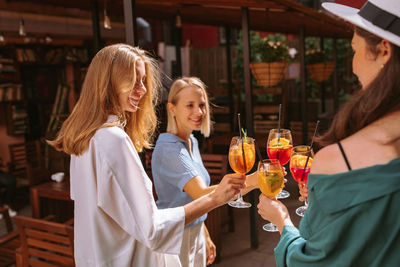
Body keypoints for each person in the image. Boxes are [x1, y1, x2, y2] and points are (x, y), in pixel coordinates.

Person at [48, 44, 246, 267]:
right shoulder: (113, 140)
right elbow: (152, 229)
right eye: (134, 80)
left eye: (143, 81)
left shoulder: (85, 138)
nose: (142, 90)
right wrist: (215, 198)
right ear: (108, 82)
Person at [257, 0, 400, 266]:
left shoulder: (339, 161)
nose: (353, 65)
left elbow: (312, 260)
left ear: (383, 51)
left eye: (354, 50)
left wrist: (282, 221)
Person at [152, 77, 258, 266]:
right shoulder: (170, 149)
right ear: (172, 108)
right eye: (190, 105)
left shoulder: (190, 141)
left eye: (202, 105)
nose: (199, 112)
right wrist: (255, 180)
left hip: (195, 233)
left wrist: (205, 233)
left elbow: (196, 202)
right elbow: (202, 194)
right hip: (177, 239)